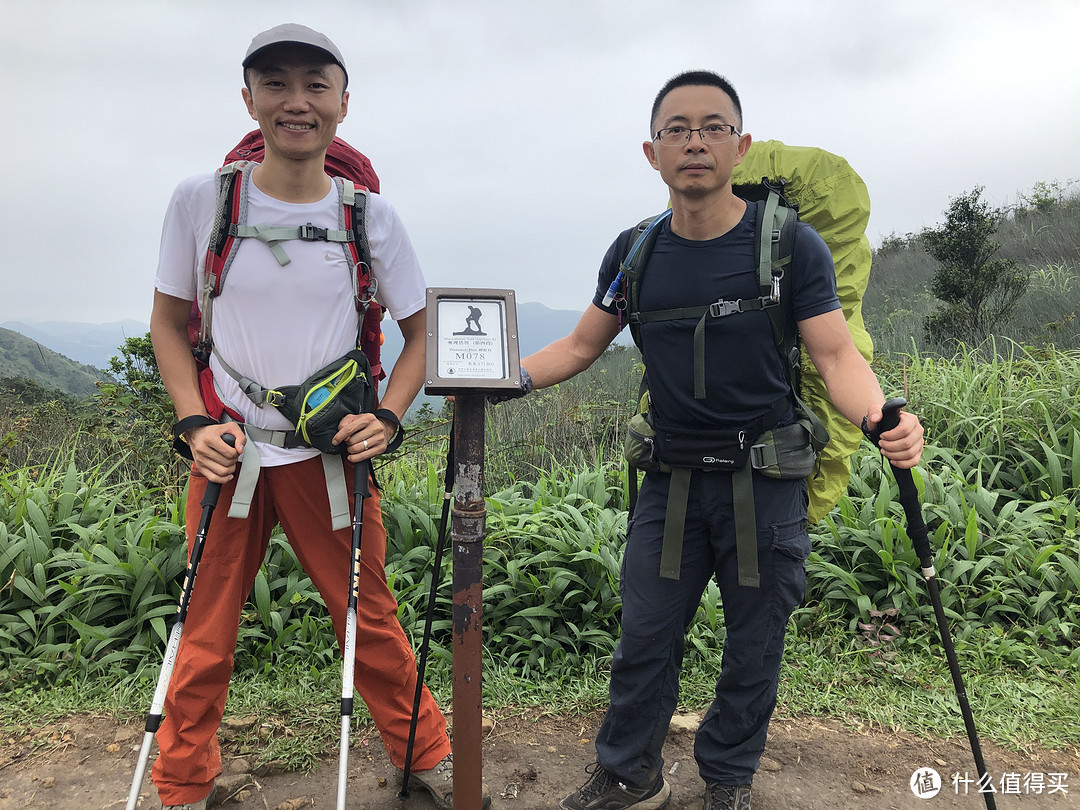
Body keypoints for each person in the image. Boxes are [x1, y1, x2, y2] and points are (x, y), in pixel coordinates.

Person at [519, 71, 925, 810]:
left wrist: (881, 416)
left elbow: (835, 356)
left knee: (753, 645)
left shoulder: (789, 246)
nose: (695, 142)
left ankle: (729, 780)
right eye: (677, 129)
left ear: (739, 145)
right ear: (652, 152)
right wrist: (490, 380)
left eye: (712, 127)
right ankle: (630, 773)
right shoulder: (634, 252)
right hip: (670, 481)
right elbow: (580, 347)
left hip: (763, 483)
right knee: (644, 637)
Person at [149, 24, 487, 810]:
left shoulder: (371, 217)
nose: (295, 101)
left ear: (342, 104)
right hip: (229, 452)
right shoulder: (203, 200)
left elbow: (419, 333)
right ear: (249, 100)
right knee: (203, 633)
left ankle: (421, 756)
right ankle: (182, 784)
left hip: (328, 457)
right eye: (275, 84)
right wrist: (195, 423)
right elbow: (169, 323)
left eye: (313, 85)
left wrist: (391, 417)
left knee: (369, 619)